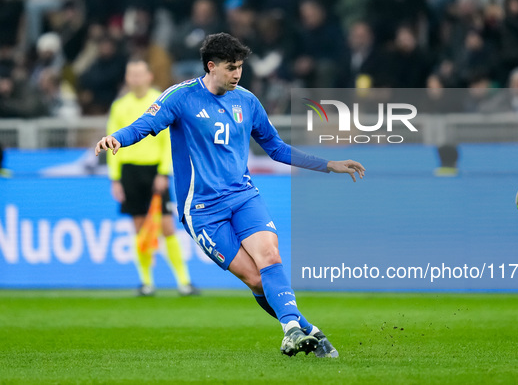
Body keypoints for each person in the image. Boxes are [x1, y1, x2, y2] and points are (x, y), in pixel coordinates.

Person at [95, 33, 365, 357]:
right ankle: (308, 330)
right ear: (211, 66)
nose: (238, 74)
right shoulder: (181, 98)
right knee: (254, 278)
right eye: (231, 67)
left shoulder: (247, 101)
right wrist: (117, 139)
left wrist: (327, 165)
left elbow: (276, 148)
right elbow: (144, 124)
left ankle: (291, 329)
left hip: (243, 196)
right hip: (202, 210)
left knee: (270, 256)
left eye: (240, 67)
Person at [106, 59, 199, 297]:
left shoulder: (161, 100)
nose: (136, 78)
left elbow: (169, 140)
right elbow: (112, 142)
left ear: (149, 76)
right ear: (127, 78)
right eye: (131, 74)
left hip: (154, 171)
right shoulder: (119, 106)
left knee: (167, 225)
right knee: (139, 227)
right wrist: (115, 179)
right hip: (129, 171)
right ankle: (146, 282)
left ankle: (183, 282)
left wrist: (163, 172)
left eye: (140, 74)